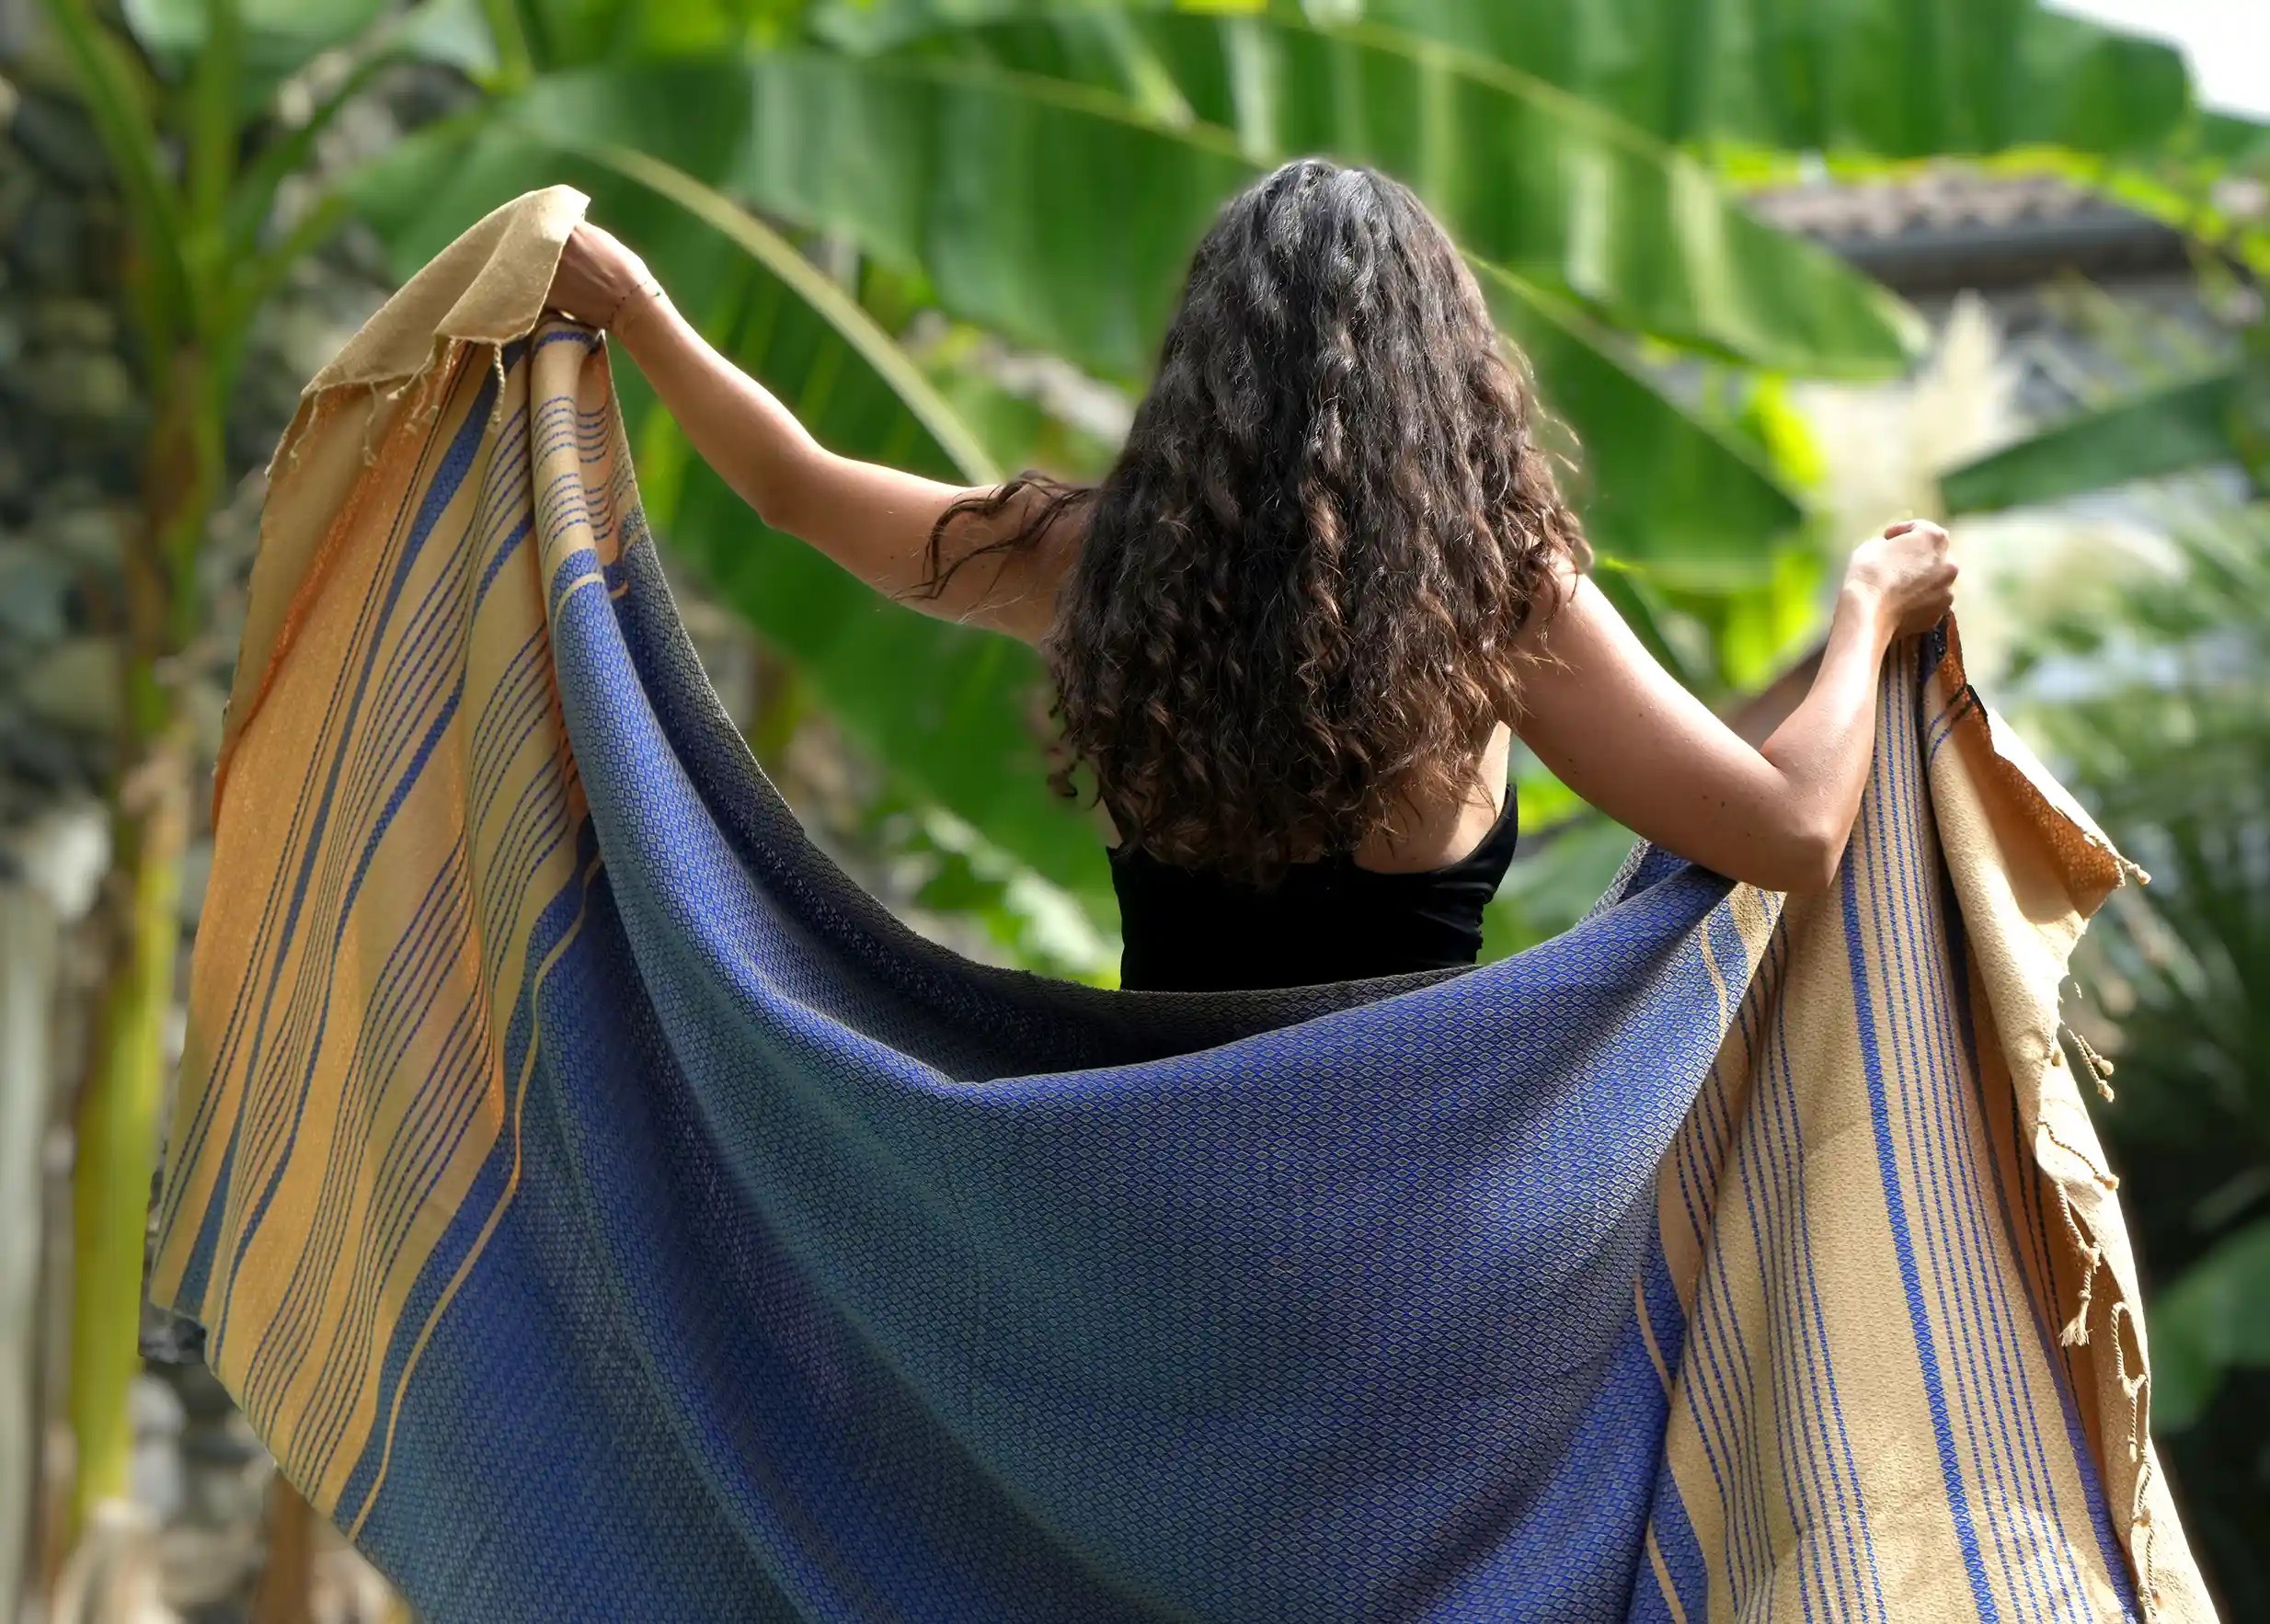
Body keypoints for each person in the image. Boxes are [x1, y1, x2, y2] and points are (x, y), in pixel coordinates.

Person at [545, 158, 1955, 993]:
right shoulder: (1496, 601)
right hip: (1421, 1217)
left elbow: (793, 486)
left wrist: (643, 312)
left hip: (1154, 1195)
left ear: (1203, 369)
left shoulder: (1094, 560)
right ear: (1439, 375)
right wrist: (1866, 612)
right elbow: (1788, 830)